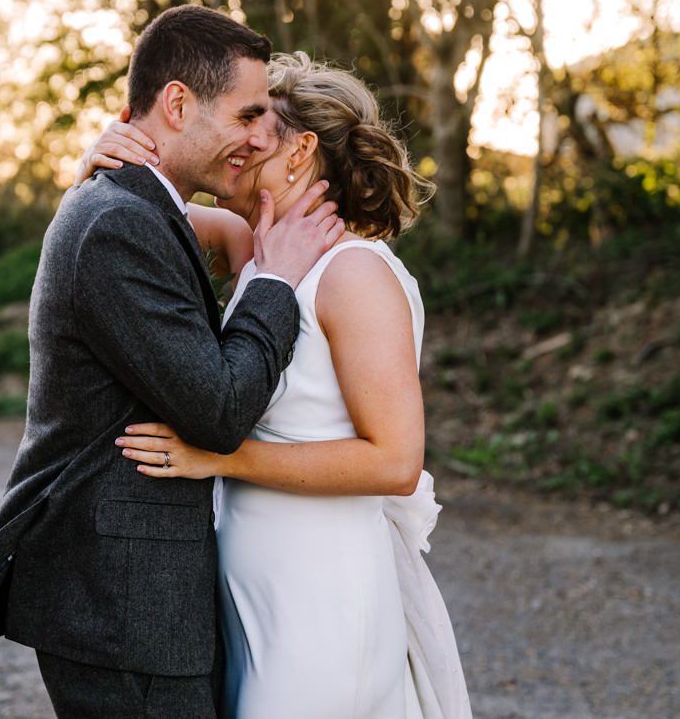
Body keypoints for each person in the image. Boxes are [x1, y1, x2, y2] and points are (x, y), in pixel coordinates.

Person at [0, 7, 346, 719]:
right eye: (247, 115)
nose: (260, 136)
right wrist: (275, 282)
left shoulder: (136, 208)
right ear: (177, 104)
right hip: (125, 607)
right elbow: (219, 409)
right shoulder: (118, 222)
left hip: (139, 600)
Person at [80, 52, 472, 718]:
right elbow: (116, 221)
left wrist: (221, 457)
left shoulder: (354, 274)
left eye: (255, 136)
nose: (236, 148)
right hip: (257, 599)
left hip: (322, 601)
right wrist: (96, 165)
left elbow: (395, 461)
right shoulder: (253, 248)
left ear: (301, 151)